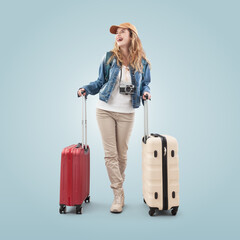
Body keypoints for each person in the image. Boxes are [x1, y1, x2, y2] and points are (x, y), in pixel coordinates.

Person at [77, 22, 151, 213]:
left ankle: (119, 188)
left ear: (131, 36)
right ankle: (118, 194)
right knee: (110, 155)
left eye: (122, 32)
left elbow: (146, 84)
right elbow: (100, 81)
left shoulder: (142, 62)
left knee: (122, 155)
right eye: (116, 33)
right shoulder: (109, 57)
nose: (117, 35)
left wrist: (146, 93)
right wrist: (86, 88)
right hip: (105, 110)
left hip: (127, 113)